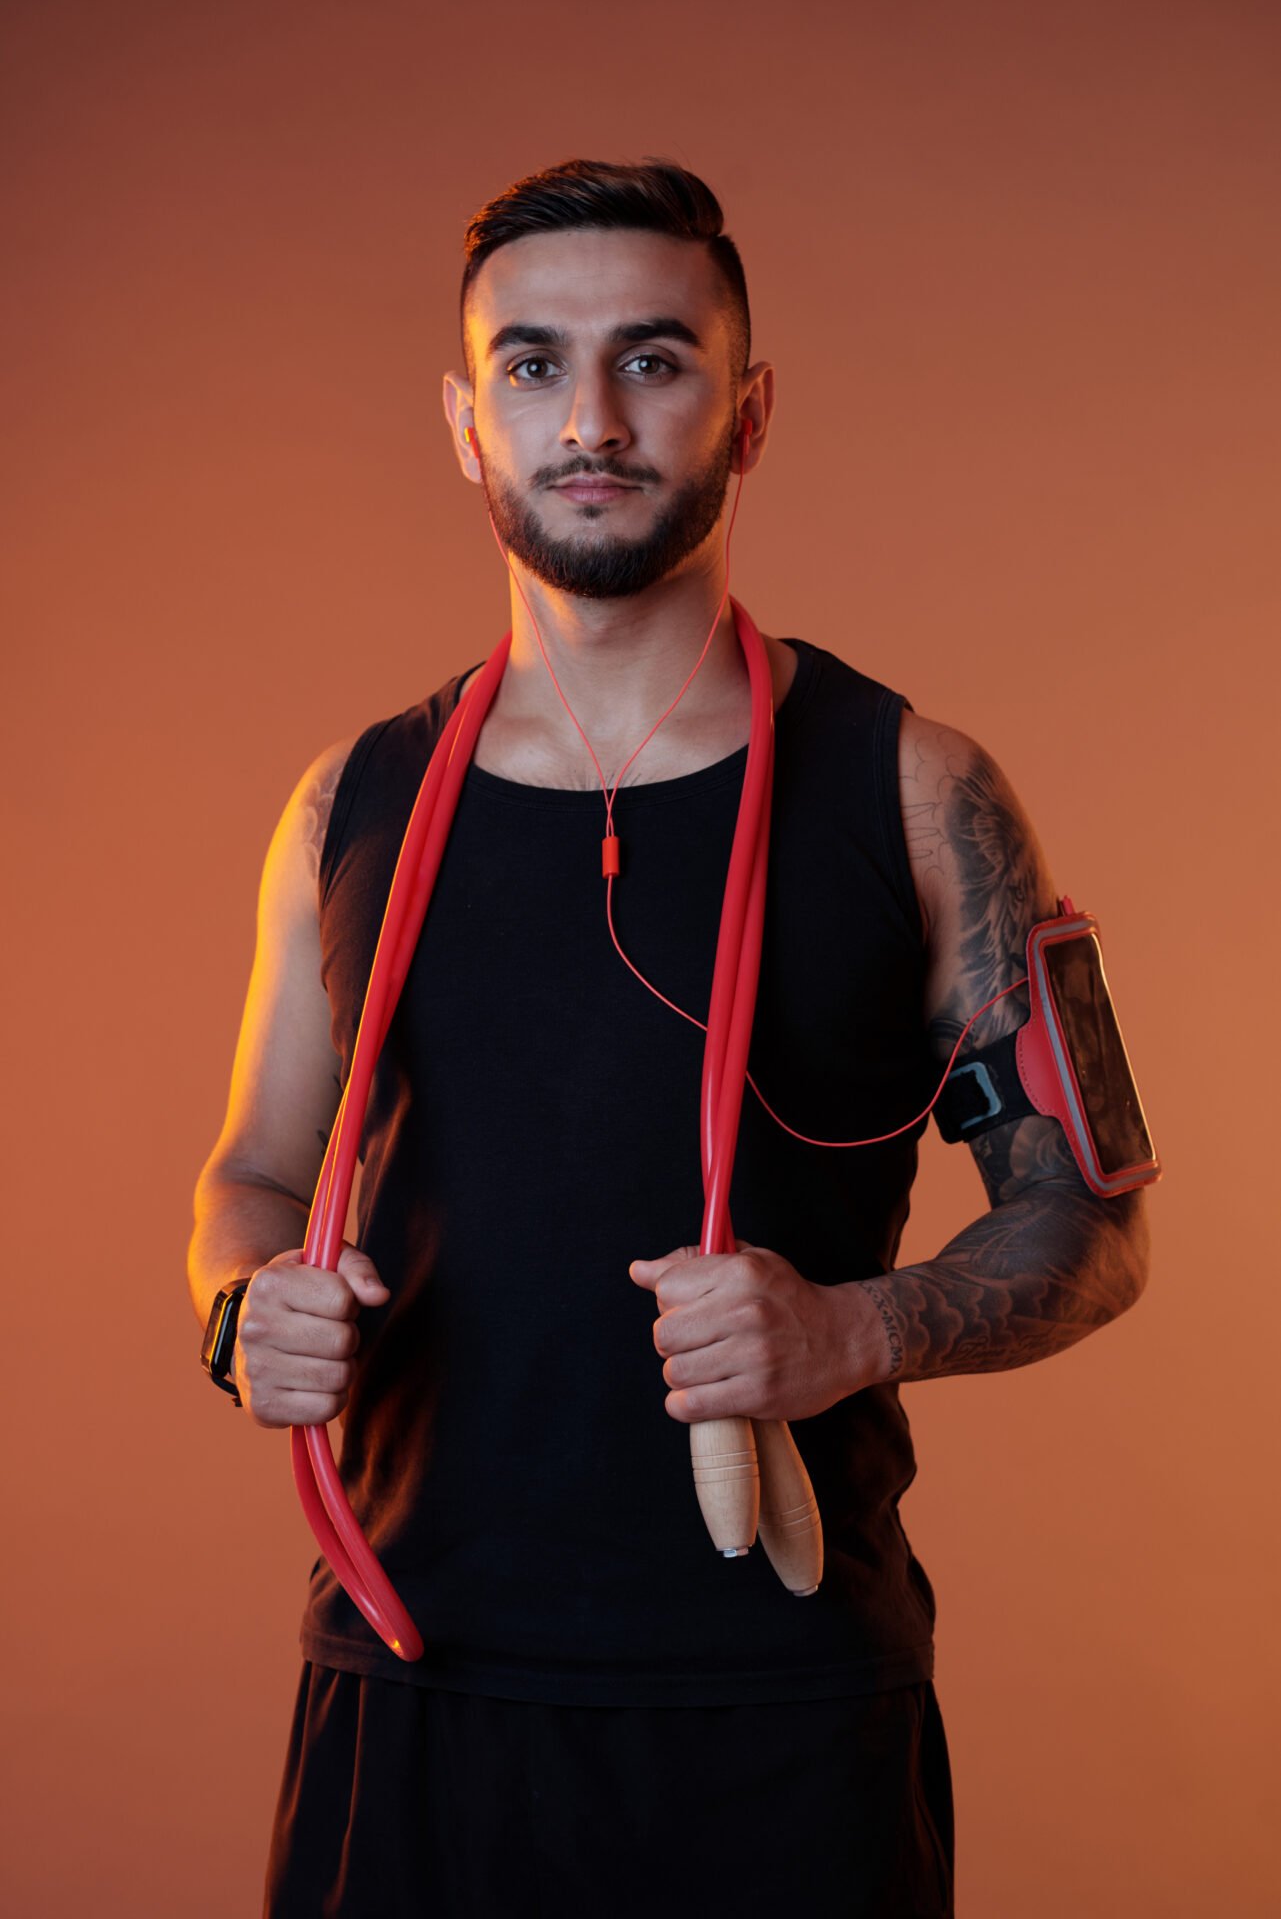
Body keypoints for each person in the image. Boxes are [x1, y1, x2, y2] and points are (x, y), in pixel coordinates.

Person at [188, 157, 1150, 1918]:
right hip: (409, 1681)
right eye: (533, 366)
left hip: (782, 1715)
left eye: (653, 359)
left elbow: (1091, 1224)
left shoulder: (916, 789)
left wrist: (851, 1329)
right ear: (466, 425)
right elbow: (254, 1171)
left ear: (748, 410)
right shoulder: (347, 803)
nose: (592, 420)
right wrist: (243, 1309)